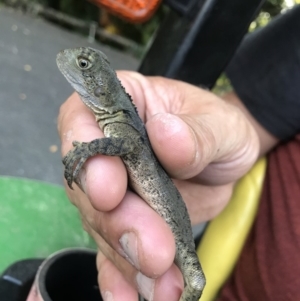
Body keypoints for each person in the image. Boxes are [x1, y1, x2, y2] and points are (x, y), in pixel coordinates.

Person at [57, 5, 300, 301]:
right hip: (193, 248)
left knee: (194, 281)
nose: (68, 60)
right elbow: (258, 112)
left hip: (183, 234)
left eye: (83, 65)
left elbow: (128, 146)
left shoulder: (121, 125)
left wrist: (90, 148)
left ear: (104, 89)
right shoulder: (119, 120)